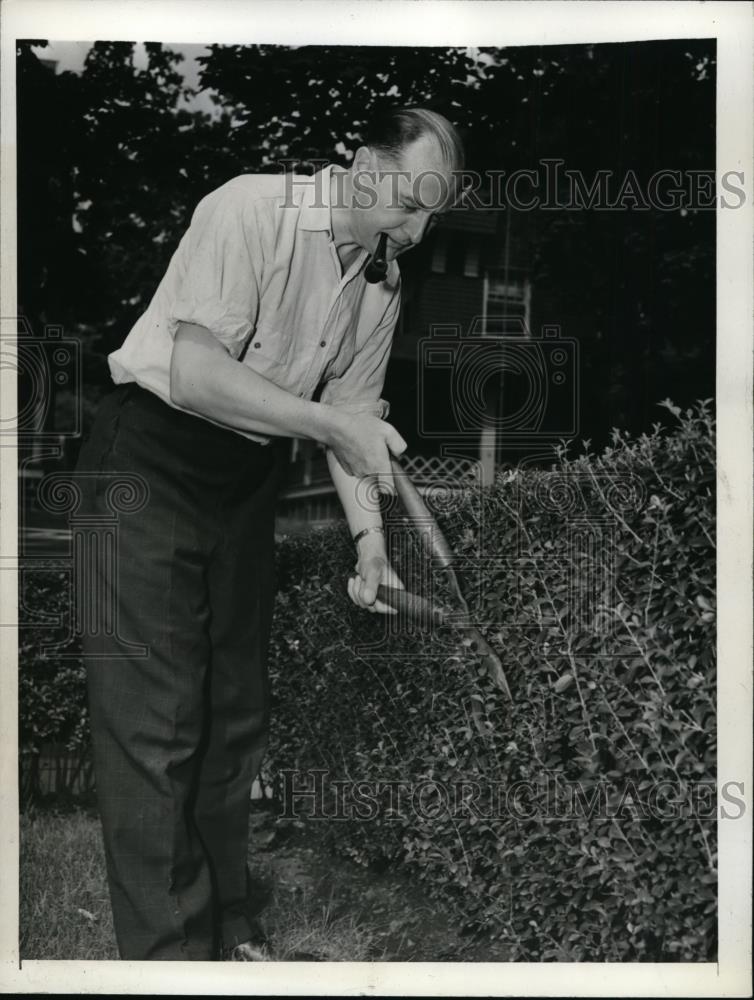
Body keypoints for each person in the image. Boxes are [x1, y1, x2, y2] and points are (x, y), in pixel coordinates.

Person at [76, 107, 464, 961]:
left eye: (435, 213)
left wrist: (371, 547)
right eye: (411, 201)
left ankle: (229, 930)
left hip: (242, 481)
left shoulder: (381, 282)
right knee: (157, 723)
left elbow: (356, 420)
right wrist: (328, 425)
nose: (422, 229)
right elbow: (195, 371)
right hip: (146, 460)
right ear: (364, 166)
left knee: (234, 714)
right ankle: (171, 961)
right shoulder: (251, 209)